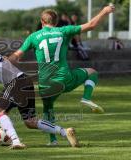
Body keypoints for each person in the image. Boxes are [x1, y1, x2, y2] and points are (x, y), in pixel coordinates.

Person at [9, 5, 115, 145]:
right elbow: (91, 25)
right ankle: (86, 97)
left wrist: (1, 65)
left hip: (45, 84)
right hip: (64, 78)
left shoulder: (33, 37)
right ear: (57, 21)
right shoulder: (64, 31)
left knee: (48, 108)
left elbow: (16, 56)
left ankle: (53, 141)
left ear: (42, 22)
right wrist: (105, 11)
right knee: (92, 72)